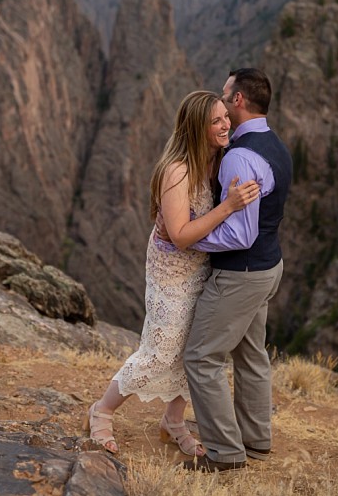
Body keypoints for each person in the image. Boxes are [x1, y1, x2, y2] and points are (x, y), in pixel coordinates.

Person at [83, 90, 261, 457]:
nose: (226, 123)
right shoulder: (177, 170)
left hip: (202, 267)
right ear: (198, 127)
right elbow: (180, 236)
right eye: (216, 120)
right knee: (161, 350)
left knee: (191, 348)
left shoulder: (220, 160)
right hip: (171, 272)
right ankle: (102, 410)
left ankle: (174, 420)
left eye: (225, 116)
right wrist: (228, 206)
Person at [179, 68, 293, 472]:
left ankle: (225, 454)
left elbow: (240, 234)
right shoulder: (275, 145)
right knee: (251, 354)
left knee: (201, 358)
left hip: (241, 274)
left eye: (226, 96)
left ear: (239, 99)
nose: (222, 104)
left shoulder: (240, 157)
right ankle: (256, 439)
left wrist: (190, 238)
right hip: (268, 267)